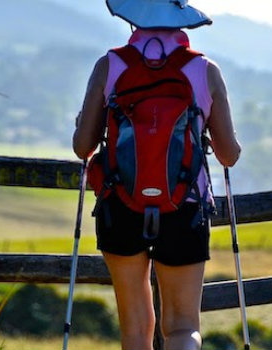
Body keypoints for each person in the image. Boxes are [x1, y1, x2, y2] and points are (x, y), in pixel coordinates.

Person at [72, 0, 240, 349]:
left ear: (136, 17)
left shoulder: (110, 66)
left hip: (120, 204)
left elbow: (82, 147)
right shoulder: (204, 70)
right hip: (185, 207)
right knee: (182, 326)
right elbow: (228, 155)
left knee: (134, 330)